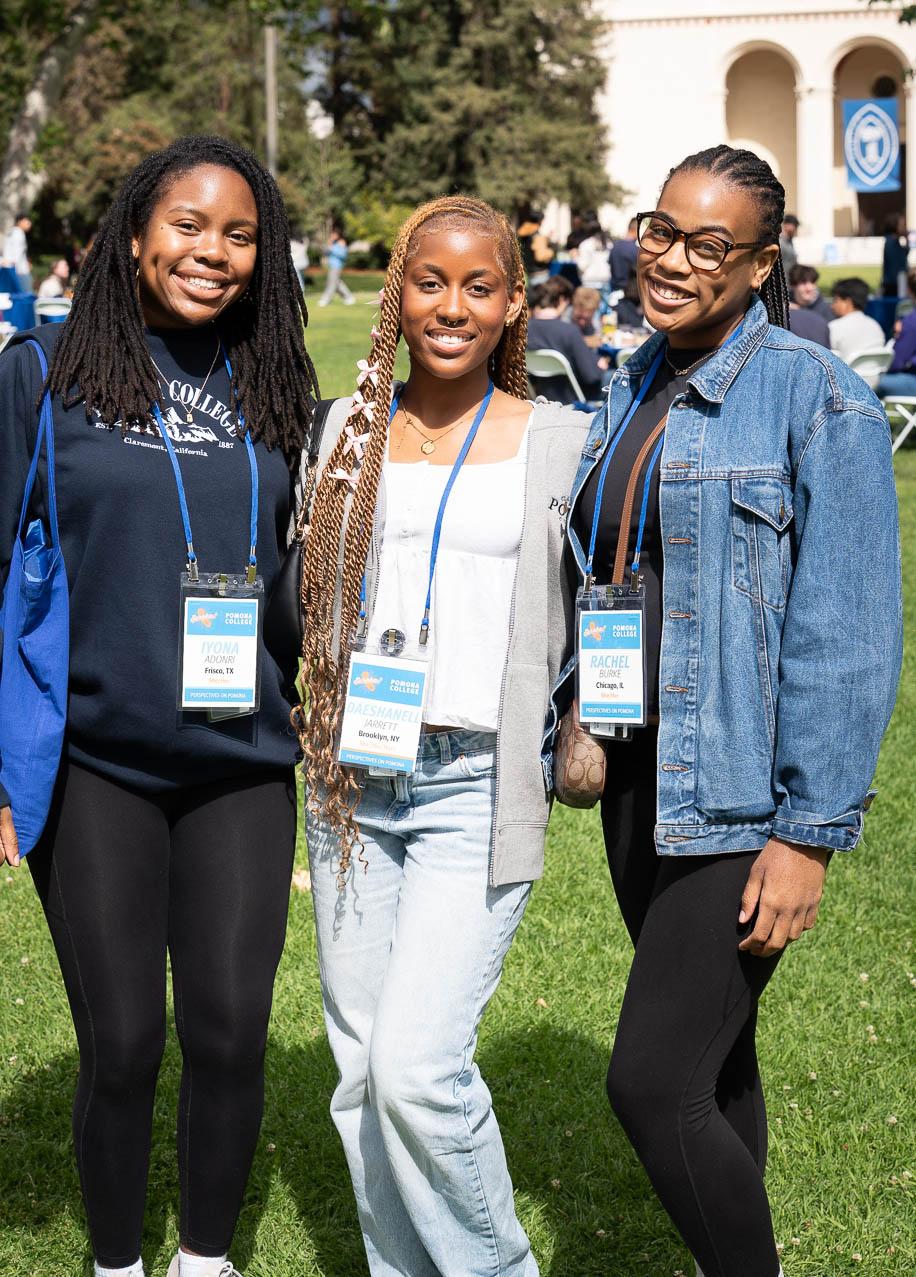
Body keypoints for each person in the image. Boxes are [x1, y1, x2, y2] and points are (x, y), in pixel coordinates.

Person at [545, 145, 901, 1277]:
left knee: (648, 1080)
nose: (673, 260)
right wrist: (579, 714)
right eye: (661, 230)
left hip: (739, 789)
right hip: (643, 775)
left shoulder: (818, 399)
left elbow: (844, 634)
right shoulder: (630, 377)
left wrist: (806, 833)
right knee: (713, 1059)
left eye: (710, 246)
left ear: (759, 266)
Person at [0, 135, 320, 1277]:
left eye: (240, 234)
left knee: (231, 1032)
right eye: (187, 224)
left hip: (240, 763)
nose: (213, 252)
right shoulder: (45, 370)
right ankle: (116, 1263)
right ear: (135, 235)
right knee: (124, 1042)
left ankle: (205, 1259)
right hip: (97, 763)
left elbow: (302, 575)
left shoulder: (280, 383)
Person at [296, 195, 588, 1277]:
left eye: (477, 285)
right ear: (397, 293)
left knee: (420, 1064)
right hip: (351, 784)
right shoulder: (343, 431)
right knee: (364, 1066)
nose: (450, 306)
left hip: (476, 779)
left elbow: (608, 595)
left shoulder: (563, 438)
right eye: (429, 282)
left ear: (514, 302)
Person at [527, 275, 608, 403]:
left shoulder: (526, 328)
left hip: (542, 396)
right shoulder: (569, 331)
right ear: (562, 300)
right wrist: (599, 364)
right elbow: (591, 377)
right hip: (574, 397)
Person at [876, 267, 916, 397]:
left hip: (912, 379)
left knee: (866, 381)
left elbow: (897, 362)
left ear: (909, 290)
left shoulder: (911, 321)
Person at [828, 277, 885, 362]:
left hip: (846, 374)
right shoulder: (876, 326)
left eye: (836, 300)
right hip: (875, 375)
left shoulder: (834, 327)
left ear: (848, 302)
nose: (832, 306)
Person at [319, 225, 355, 306]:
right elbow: (326, 253)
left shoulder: (341, 242)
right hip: (331, 265)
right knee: (337, 283)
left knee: (331, 283)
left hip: (337, 266)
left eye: (334, 234)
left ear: (338, 235)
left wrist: (332, 249)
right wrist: (329, 243)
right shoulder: (333, 243)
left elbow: (343, 255)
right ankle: (349, 297)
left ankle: (325, 299)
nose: (332, 236)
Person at [575, 216, 611, 290]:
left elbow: (582, 266)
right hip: (605, 279)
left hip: (590, 281)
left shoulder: (585, 244)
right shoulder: (609, 243)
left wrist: (575, 257)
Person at [881, 213, 909, 298]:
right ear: (894, 226)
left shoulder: (896, 241)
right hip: (894, 284)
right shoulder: (891, 242)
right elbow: (894, 264)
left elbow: (905, 253)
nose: (904, 228)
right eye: (902, 225)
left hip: (898, 281)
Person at [2, 212, 32, 290]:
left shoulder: (12, 232)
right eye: (27, 221)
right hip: (19, 272)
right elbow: (16, 255)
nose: (29, 223)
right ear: (20, 222)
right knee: (24, 297)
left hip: (10, 270)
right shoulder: (18, 233)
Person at [610, 216, 639, 290]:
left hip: (614, 288)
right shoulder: (635, 249)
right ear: (636, 230)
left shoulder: (615, 246)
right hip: (630, 292)